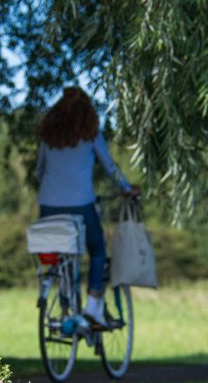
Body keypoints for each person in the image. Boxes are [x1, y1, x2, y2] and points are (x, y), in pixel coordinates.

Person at [36, 87, 139, 330]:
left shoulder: (48, 139)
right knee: (98, 251)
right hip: (81, 207)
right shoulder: (91, 136)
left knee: (61, 254)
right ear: (88, 113)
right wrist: (126, 188)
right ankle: (92, 308)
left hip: (48, 208)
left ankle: (64, 302)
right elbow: (109, 168)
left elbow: (39, 172)